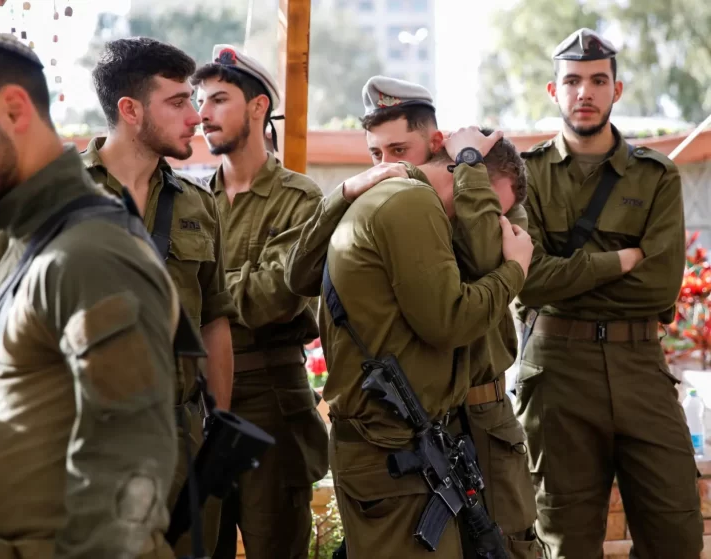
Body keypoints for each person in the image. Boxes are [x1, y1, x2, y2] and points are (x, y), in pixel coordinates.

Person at [0, 36, 238, 555]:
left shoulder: (198, 204)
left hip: (179, 441)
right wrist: (13, 415)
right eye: (178, 101)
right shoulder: (48, 198)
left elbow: (215, 320)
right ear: (130, 110)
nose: (195, 116)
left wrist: (213, 426)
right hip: (73, 449)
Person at [285, 76, 539, 557]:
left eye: (399, 150)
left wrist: (470, 169)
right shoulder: (396, 202)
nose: (387, 166)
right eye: (376, 154)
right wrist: (346, 191)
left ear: (438, 143)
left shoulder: (487, 194)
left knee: (505, 545)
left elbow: (485, 255)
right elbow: (299, 275)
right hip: (408, 426)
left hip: (477, 413)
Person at [515, 28, 703, 558]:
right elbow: (527, 280)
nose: (585, 92)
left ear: (616, 90)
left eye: (599, 81)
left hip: (640, 365)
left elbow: (659, 285)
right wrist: (621, 259)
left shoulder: (655, 175)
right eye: (572, 81)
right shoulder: (526, 176)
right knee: (566, 541)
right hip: (557, 374)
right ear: (554, 91)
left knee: (675, 534)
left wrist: (565, 278)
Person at [191, 45, 329, 559]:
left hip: (270, 400)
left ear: (258, 106)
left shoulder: (301, 198)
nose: (203, 114)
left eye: (218, 99)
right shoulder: (192, 203)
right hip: (202, 400)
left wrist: (200, 292)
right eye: (200, 102)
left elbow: (271, 297)